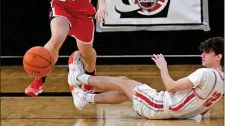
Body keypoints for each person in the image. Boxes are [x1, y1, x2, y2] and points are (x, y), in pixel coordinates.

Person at [6, 0, 107, 96]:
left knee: (86, 51)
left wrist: (102, 5)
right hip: (61, 8)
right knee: (56, 38)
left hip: (83, 14)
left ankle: (90, 74)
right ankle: (39, 79)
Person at [68, 37, 224, 119]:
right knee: (126, 90)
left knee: (123, 82)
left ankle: (79, 77)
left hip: (158, 106)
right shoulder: (222, 83)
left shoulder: (205, 73)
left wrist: (163, 68)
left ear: (218, 56)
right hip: (167, 109)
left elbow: (171, 86)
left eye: (207, 52)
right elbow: (204, 110)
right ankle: (85, 98)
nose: (202, 55)